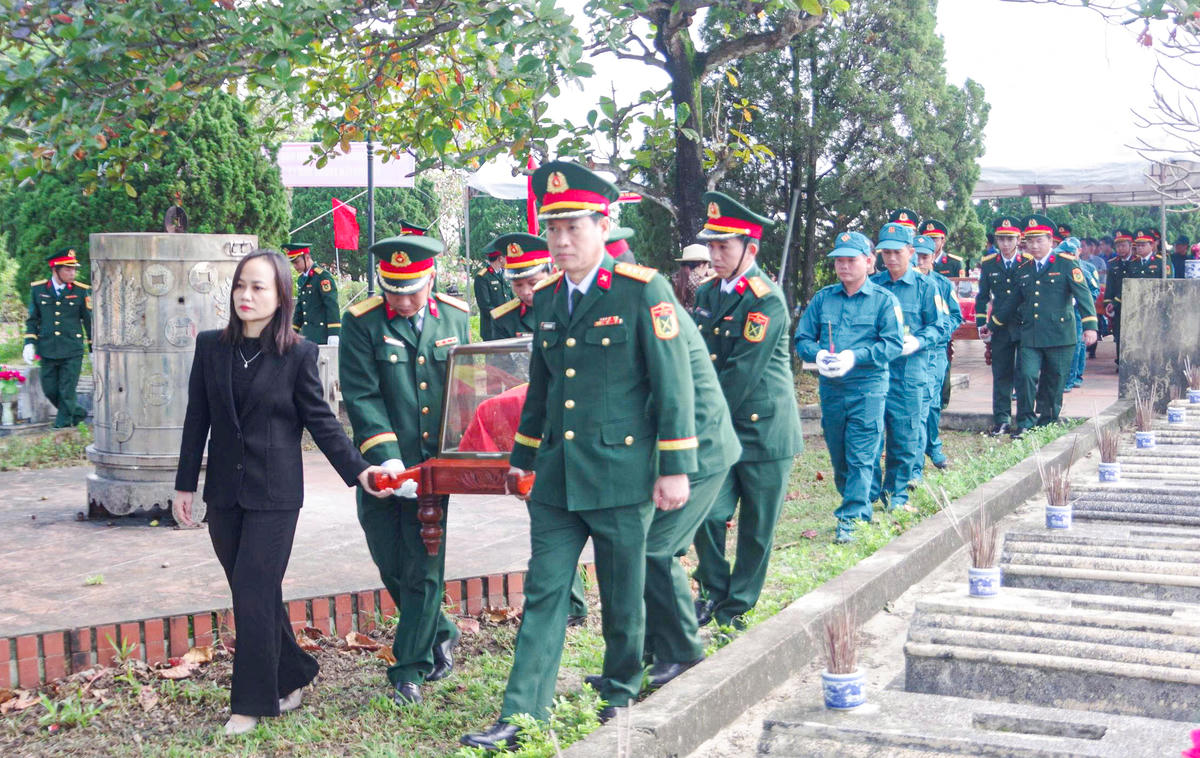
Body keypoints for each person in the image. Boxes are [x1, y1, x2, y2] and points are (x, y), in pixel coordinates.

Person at [461, 161, 697, 751]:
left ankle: (619, 693)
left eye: (573, 228)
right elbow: (542, 384)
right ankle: (520, 714)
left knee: (622, 595)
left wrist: (674, 467)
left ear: (602, 223)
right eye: (553, 229)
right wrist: (521, 455)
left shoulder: (643, 290)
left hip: (621, 474)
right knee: (543, 591)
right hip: (558, 479)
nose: (561, 241)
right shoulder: (545, 296)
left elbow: (673, 386)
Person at [173, 250, 390, 735]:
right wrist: (185, 484)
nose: (246, 296)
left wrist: (361, 472)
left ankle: (252, 703)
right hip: (225, 496)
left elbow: (323, 423)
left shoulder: (298, 354)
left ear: (281, 296)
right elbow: (197, 420)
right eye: (240, 286)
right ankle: (293, 672)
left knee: (251, 590)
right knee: (256, 593)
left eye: (259, 287)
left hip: (275, 496)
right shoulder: (211, 347)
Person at [339, 233, 472, 706]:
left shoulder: (456, 317)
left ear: (431, 277)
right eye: (392, 289)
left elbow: (466, 389)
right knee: (389, 561)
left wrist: (459, 455)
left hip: (434, 467)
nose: (402, 299)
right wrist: (388, 458)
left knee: (423, 565)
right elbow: (361, 393)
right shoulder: (362, 322)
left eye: (411, 288)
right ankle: (442, 629)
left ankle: (409, 668)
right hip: (381, 466)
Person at [690, 191, 804, 630]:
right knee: (705, 513)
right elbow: (699, 359)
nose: (714, 254)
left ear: (749, 250)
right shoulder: (705, 294)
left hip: (762, 431)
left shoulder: (766, 299)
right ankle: (716, 590)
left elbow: (740, 373)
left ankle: (737, 607)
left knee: (756, 529)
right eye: (712, 246)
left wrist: (696, 420)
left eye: (724, 247)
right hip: (722, 428)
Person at [489, 232, 592, 626]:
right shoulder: (501, 319)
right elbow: (497, 375)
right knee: (547, 517)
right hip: (532, 431)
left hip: (572, 426)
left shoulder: (564, 306)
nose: (526, 291)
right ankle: (570, 603)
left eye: (532, 281)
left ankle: (574, 603)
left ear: (548, 271)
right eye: (518, 283)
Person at [794, 231, 903, 543]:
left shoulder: (884, 301)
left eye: (850, 260)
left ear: (868, 263)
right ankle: (861, 499)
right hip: (832, 390)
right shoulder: (823, 299)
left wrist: (854, 356)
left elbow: (892, 344)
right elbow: (802, 338)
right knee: (839, 454)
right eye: (839, 260)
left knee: (862, 453)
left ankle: (852, 519)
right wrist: (818, 355)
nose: (843, 266)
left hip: (868, 388)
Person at [994, 215, 1098, 436]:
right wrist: (993, 323)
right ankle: (1025, 422)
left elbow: (1084, 296)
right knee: (1026, 376)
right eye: (1030, 241)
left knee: (1055, 380)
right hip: (1031, 335)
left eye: (1039, 240)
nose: (1034, 245)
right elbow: (1012, 301)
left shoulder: (1067, 264)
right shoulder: (1024, 269)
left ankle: (1048, 419)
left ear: (1051, 241)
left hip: (1061, 335)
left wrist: (1090, 326)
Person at [868, 223, 945, 510]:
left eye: (896, 252)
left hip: (911, 370)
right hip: (877, 369)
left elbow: (939, 326)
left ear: (911, 252)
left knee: (904, 434)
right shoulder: (874, 285)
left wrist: (919, 341)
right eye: (885, 252)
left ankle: (897, 493)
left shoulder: (927, 287)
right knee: (872, 433)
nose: (890, 258)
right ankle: (871, 490)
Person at [23, 249, 92, 428]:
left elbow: (89, 321)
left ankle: (61, 428)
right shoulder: (38, 290)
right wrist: (29, 343)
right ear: (55, 270)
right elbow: (33, 319)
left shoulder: (80, 291)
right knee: (50, 390)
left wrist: (93, 348)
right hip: (47, 348)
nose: (73, 273)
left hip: (72, 349)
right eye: (68, 270)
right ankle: (78, 413)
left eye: (74, 269)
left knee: (66, 391)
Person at [912, 234, 962, 471]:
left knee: (931, 403)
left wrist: (942, 331)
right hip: (911, 351)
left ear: (933, 257)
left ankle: (932, 445)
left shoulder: (942, 284)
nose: (919, 262)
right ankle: (919, 455)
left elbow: (955, 315)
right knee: (920, 403)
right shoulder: (905, 283)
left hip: (936, 350)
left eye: (923, 257)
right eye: (915, 256)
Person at [975, 216, 1027, 436]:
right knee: (1001, 373)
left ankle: (1024, 420)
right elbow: (982, 296)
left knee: (1025, 373)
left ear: (1018, 239)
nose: (1005, 244)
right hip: (999, 327)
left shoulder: (1028, 261)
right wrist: (980, 323)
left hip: (1024, 325)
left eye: (1009, 239)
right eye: (1001, 239)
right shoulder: (989, 264)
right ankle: (1002, 420)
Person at [1062, 237, 1100, 392]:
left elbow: (1094, 290)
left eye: (1072, 252)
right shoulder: (1058, 266)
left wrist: (1080, 303)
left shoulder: (1087, 269)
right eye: (1065, 252)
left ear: (1079, 251)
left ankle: (1072, 379)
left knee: (1078, 344)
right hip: (1062, 311)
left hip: (1078, 312)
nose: (1069, 255)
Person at [284, 242, 340, 346]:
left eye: (297, 262)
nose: (295, 266)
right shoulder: (302, 279)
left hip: (323, 335)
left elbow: (331, 305)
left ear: (307, 257)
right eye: (293, 263)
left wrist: (334, 333)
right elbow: (300, 309)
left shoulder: (322, 277)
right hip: (308, 336)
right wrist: (292, 332)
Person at [1104, 228, 1134, 364]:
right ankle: (1120, 361)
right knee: (1118, 334)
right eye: (1118, 245)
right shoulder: (1113, 263)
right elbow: (1109, 286)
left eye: (1123, 245)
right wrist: (1107, 304)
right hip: (1118, 306)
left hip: (1133, 303)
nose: (1120, 249)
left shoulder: (1136, 261)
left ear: (1130, 245)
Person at [474, 239, 512, 341]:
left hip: (508, 327)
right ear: (500, 258)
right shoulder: (482, 277)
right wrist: (503, 318)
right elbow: (485, 306)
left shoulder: (505, 274)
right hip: (492, 329)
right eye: (506, 256)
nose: (507, 259)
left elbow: (511, 297)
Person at [670, 243, 712, 310]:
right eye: (708, 264)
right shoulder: (702, 282)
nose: (708, 267)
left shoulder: (679, 276)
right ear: (701, 265)